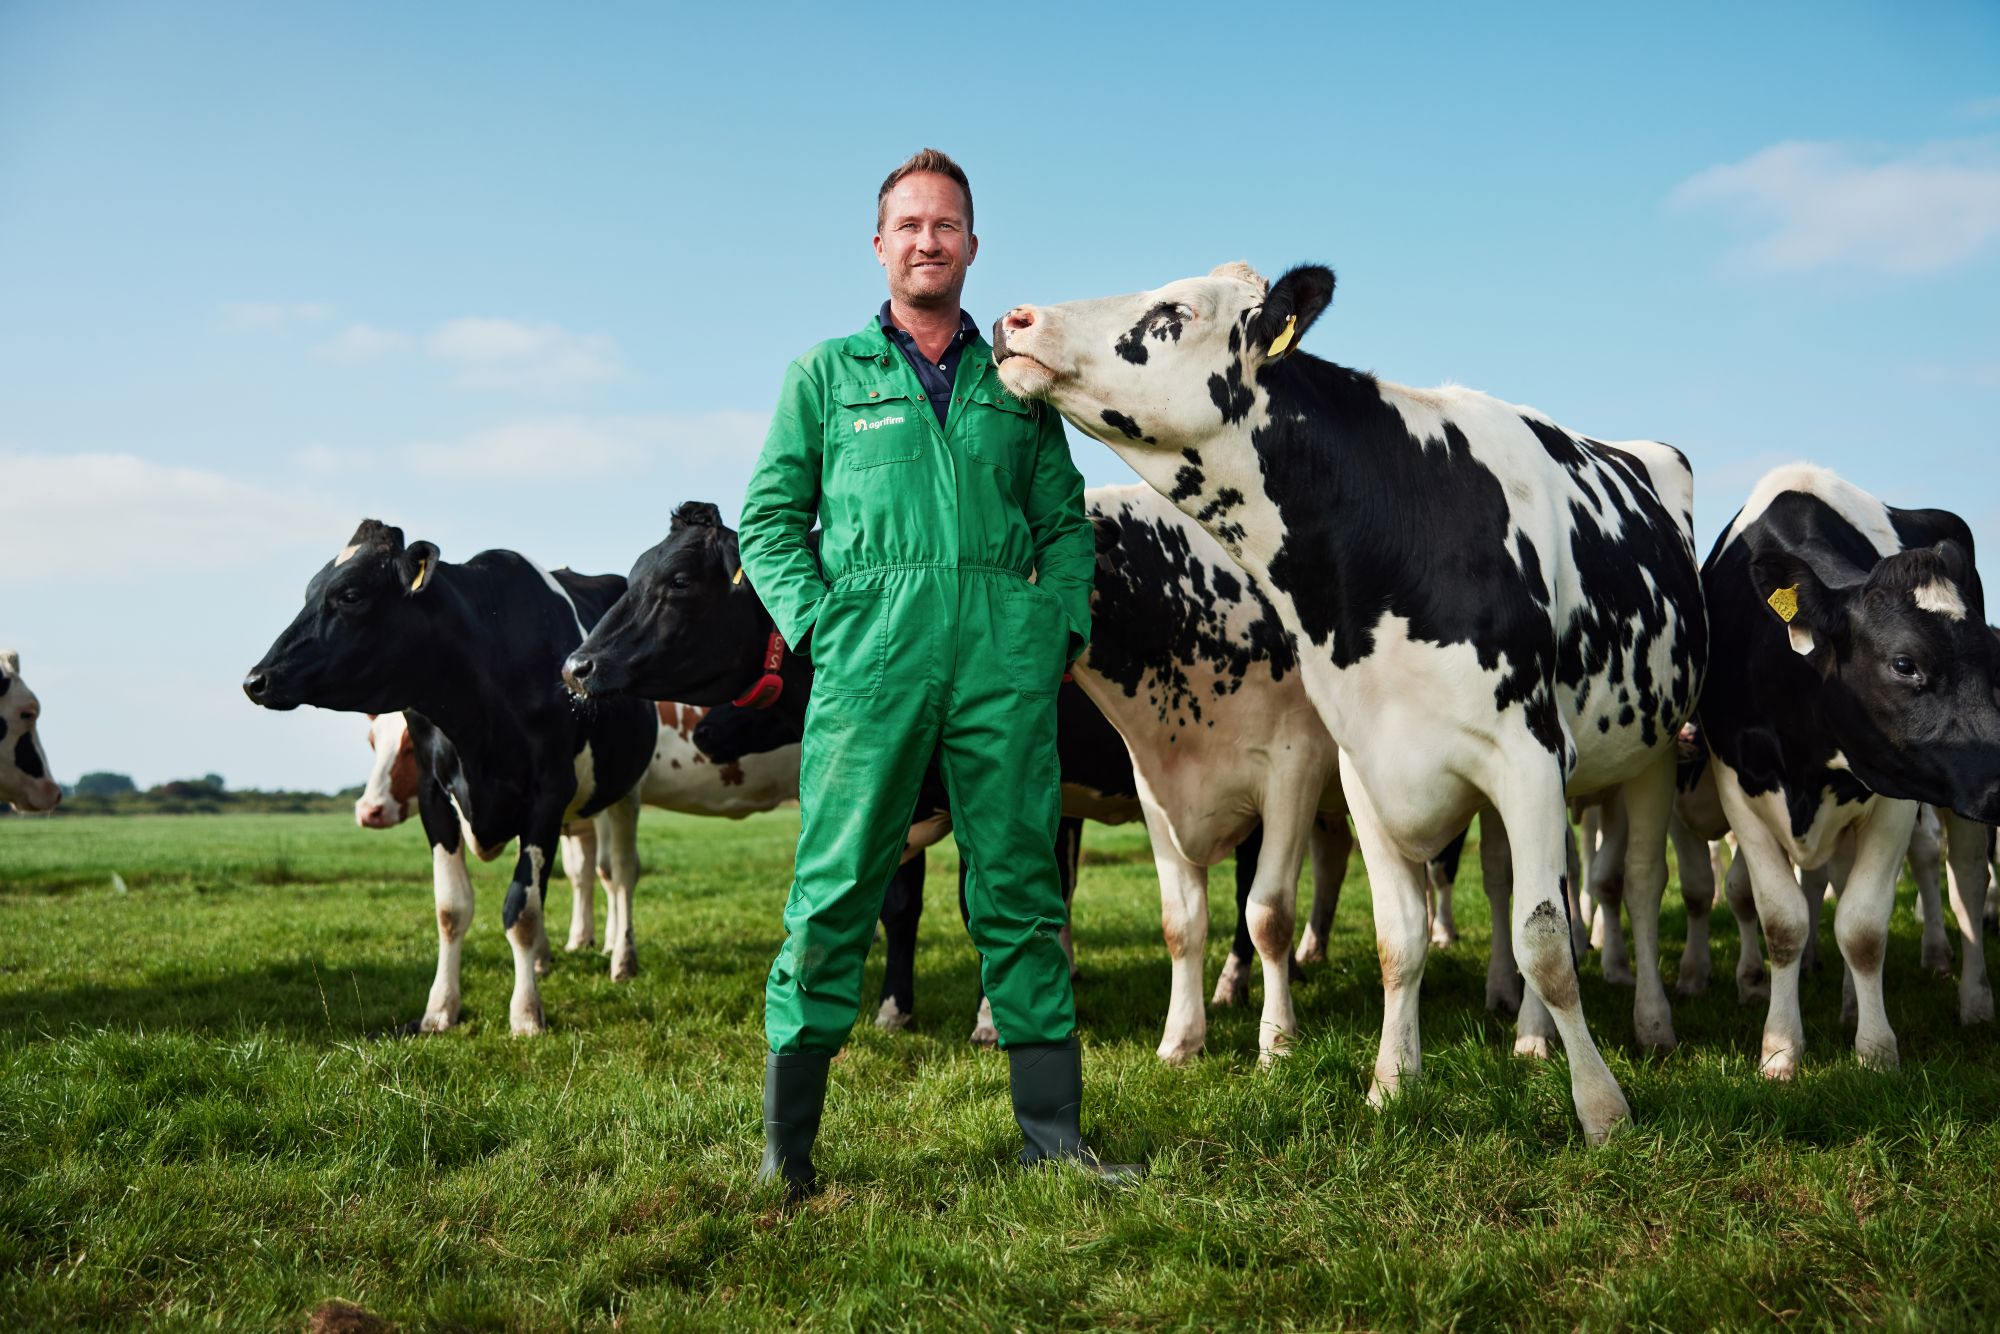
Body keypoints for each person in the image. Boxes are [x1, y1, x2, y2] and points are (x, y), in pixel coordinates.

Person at [737, 148, 1135, 1194]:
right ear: (879, 246)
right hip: (871, 667)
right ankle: (788, 1155)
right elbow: (769, 522)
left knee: (1020, 890)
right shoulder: (824, 376)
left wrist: (1046, 630)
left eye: (945, 224)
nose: (926, 239)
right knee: (831, 895)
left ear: (970, 245)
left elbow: (1064, 523)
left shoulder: (1019, 386)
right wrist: (824, 627)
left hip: (1001, 667)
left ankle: (1053, 1142)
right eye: (908, 224)